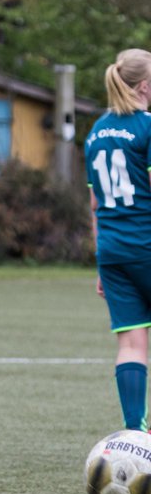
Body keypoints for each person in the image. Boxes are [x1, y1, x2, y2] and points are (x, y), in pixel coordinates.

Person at [88, 49, 151, 433]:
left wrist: (100, 263)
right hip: (147, 243)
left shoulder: (96, 131)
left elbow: (95, 202)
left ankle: (136, 435)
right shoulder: (148, 127)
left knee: (130, 344)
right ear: (145, 86)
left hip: (113, 251)